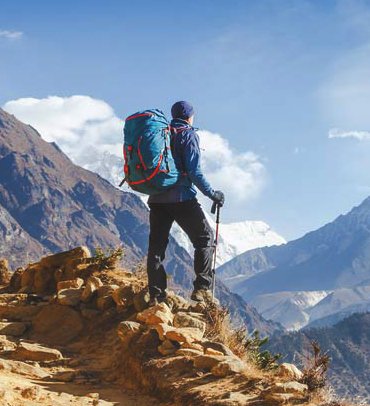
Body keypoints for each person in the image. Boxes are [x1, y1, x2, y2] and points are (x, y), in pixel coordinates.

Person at [147, 101, 225, 306]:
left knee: (156, 248)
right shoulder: (187, 134)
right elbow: (194, 171)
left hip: (156, 198)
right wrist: (212, 194)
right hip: (182, 198)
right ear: (190, 117)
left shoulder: (160, 133)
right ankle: (202, 289)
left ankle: (156, 295)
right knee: (204, 239)